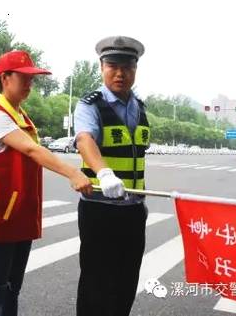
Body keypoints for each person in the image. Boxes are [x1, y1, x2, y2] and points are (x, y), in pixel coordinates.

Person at [0, 50, 93, 316]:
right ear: (5, 78)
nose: (29, 84)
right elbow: (32, 150)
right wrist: (72, 173)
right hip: (0, 217)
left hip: (19, 215)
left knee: (11, 290)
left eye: (32, 79)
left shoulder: (21, 116)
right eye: (23, 78)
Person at [73, 36, 151, 316]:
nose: (120, 73)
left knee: (126, 281)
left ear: (135, 69)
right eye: (113, 66)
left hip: (133, 210)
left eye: (127, 67)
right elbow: (84, 139)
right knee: (96, 282)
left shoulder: (139, 107)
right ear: (101, 67)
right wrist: (104, 173)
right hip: (100, 210)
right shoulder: (90, 105)